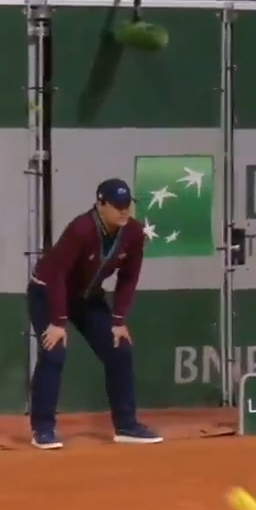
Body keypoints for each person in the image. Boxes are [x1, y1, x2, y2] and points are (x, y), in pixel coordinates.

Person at [26, 178, 163, 450]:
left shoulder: (134, 233)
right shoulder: (81, 229)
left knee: (120, 349)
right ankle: (43, 429)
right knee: (54, 352)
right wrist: (57, 322)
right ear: (100, 205)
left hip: (87, 298)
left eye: (128, 205)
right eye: (117, 206)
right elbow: (56, 276)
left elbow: (128, 278)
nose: (124, 211)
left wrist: (118, 320)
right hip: (48, 291)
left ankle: (126, 425)